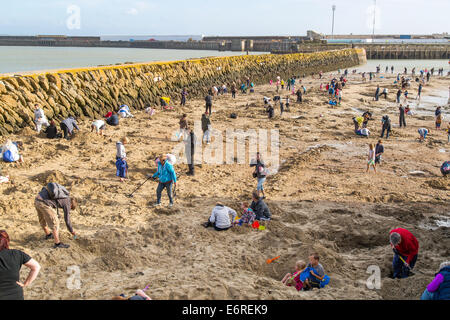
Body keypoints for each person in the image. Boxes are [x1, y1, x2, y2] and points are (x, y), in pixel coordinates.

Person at [34, 182, 77, 249]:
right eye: (70, 208)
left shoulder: (63, 196)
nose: (69, 209)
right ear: (71, 205)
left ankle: (48, 235)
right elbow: (67, 220)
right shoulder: (67, 202)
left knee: (42, 220)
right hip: (43, 203)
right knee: (55, 222)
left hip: (37, 199)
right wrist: (72, 231)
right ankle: (57, 243)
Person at [0, 230, 41, 300]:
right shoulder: (17, 253)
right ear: (7, 242)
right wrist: (26, 283)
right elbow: (36, 267)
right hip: (16, 294)